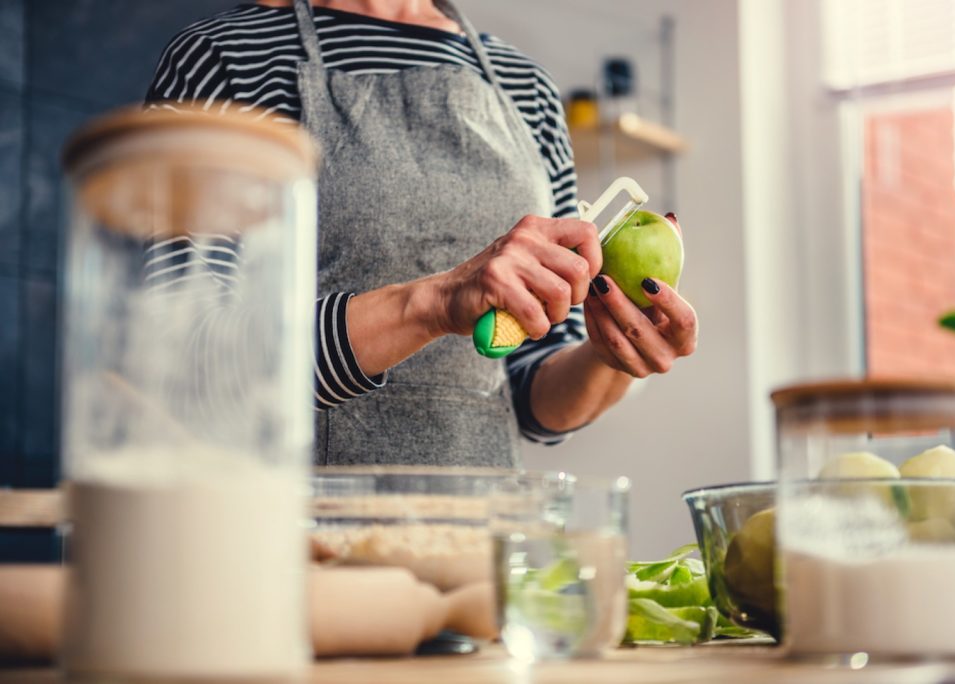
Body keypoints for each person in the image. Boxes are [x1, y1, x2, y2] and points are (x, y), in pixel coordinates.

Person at [145, 0, 698, 468]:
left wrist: (611, 356)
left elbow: (533, 398)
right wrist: (435, 304)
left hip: (477, 539)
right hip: (277, 538)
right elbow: (190, 364)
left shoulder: (527, 88)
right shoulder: (223, 61)